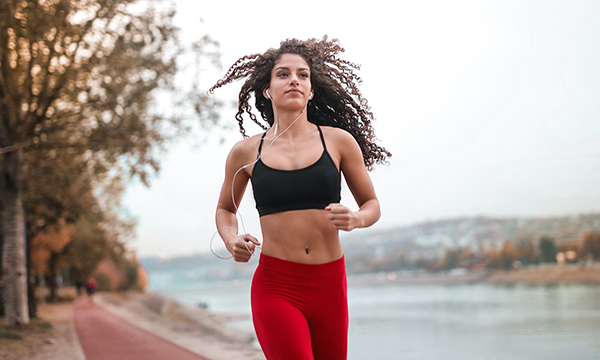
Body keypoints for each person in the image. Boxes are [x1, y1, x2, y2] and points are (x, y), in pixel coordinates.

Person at [210, 37, 391, 360]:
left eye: (302, 75)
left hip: (330, 284)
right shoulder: (245, 152)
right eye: (283, 74)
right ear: (267, 89)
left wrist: (356, 218)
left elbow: (371, 205)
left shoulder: (338, 142)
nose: (294, 79)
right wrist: (230, 238)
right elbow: (226, 208)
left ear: (311, 89)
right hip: (276, 286)